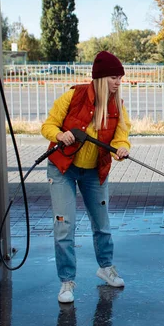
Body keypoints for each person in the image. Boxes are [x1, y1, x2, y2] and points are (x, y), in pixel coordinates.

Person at [41, 51, 132, 303]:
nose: (118, 82)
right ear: (102, 78)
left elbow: (121, 135)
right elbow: (47, 126)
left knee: (102, 223)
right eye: (114, 77)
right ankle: (67, 282)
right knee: (64, 225)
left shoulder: (118, 105)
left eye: (120, 78)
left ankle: (106, 268)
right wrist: (60, 136)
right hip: (63, 169)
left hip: (94, 170)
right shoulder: (73, 96)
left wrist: (122, 147)